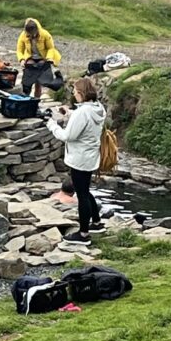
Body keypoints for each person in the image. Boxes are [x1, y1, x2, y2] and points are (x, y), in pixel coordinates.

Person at [46, 78, 105, 242]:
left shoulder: (82, 112)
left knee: (82, 195)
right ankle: (98, 223)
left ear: (81, 93)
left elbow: (67, 136)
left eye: (75, 91)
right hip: (91, 156)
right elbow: (85, 121)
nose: (73, 94)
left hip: (79, 158)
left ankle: (84, 234)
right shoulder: (98, 108)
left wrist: (51, 124)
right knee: (85, 190)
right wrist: (69, 114)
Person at [17, 18, 61, 99]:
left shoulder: (45, 34)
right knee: (28, 74)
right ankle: (26, 94)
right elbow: (19, 50)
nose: (31, 36)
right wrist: (21, 60)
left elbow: (51, 48)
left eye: (33, 33)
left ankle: (37, 98)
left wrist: (49, 58)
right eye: (29, 34)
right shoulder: (23, 35)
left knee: (39, 79)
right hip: (30, 57)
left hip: (43, 57)